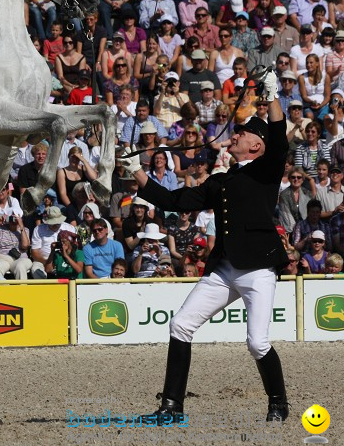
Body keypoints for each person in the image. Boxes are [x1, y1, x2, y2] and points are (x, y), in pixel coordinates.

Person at [123, 68, 288, 423]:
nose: (235, 133)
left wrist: (271, 95)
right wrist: (135, 170)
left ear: (256, 145)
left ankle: (278, 403)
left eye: (241, 132)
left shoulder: (266, 170)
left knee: (257, 343)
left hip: (259, 269)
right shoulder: (220, 180)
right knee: (181, 325)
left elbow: (280, 138)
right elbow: (171, 199)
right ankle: (171, 406)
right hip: (226, 268)